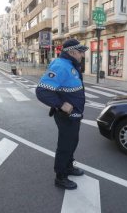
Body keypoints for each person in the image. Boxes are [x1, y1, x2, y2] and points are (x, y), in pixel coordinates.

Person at [36, 38, 88, 190]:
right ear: (72, 52)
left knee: (72, 142)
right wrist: (61, 104)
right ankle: (61, 176)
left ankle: (69, 167)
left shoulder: (70, 65)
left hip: (74, 116)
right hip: (66, 116)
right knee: (65, 145)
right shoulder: (61, 65)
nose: (82, 56)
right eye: (80, 52)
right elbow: (42, 91)